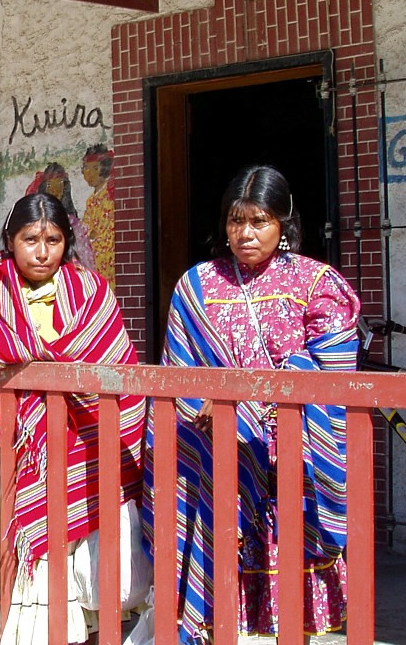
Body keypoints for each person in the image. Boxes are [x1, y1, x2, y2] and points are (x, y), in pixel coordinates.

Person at [140, 165, 359, 644]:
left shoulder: (316, 282)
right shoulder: (197, 284)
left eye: (259, 221)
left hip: (294, 451)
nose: (245, 233)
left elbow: (336, 369)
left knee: (291, 588)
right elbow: (180, 368)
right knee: (219, 570)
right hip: (219, 451)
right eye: (236, 220)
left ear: (284, 222)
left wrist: (262, 397)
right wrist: (212, 405)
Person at [0, 192, 147, 645]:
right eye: (29, 238)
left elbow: (112, 366)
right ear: (9, 240)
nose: (41, 250)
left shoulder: (92, 291)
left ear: (66, 241)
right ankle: (12, 629)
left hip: (78, 438)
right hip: (8, 437)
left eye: (53, 239)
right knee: (8, 533)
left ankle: (70, 629)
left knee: (68, 542)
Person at [27, 162, 96, 272]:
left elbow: (83, 256)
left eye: (59, 185)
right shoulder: (34, 222)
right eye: (50, 185)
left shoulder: (73, 223)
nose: (55, 190)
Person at [80, 144, 117, 287]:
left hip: (106, 259)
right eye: (86, 168)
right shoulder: (92, 199)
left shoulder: (108, 196)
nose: (90, 174)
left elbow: (97, 232)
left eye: (95, 168)